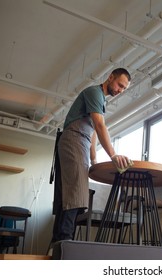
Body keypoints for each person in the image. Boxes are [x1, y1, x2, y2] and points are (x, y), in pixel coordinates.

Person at [51, 68, 133, 244]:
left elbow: (94, 131)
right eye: (120, 85)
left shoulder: (101, 100)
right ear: (110, 77)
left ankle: (59, 244)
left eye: (124, 88)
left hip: (80, 142)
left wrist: (94, 160)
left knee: (75, 195)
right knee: (74, 195)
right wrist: (113, 155)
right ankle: (63, 243)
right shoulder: (94, 92)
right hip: (73, 139)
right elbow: (100, 125)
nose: (120, 90)